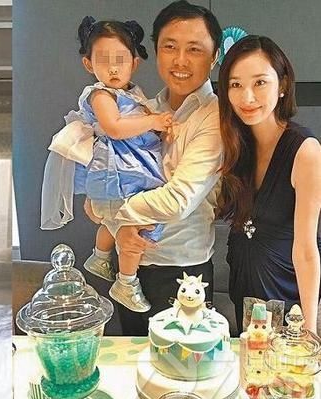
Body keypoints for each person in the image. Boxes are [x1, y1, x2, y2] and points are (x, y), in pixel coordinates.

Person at [84, 0, 223, 335]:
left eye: (194, 49)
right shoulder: (145, 107)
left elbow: (177, 200)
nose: (180, 60)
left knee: (183, 360)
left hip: (180, 268)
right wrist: (103, 206)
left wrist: (113, 215)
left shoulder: (216, 117)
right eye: (169, 47)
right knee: (133, 355)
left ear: (214, 56)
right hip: (129, 261)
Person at [41, 16, 173, 312]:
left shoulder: (131, 93)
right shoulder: (100, 94)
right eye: (104, 60)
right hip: (116, 168)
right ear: (89, 64)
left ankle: (100, 256)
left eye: (120, 60)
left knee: (119, 219)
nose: (113, 68)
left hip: (130, 167)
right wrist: (152, 121)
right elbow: (114, 127)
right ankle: (126, 283)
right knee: (131, 225)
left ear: (134, 62)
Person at [217, 35, 321, 334]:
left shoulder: (305, 151)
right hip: (244, 292)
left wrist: (310, 331)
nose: (247, 97)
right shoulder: (235, 145)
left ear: (283, 85)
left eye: (260, 82)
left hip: (286, 298)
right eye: (236, 85)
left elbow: (307, 249)